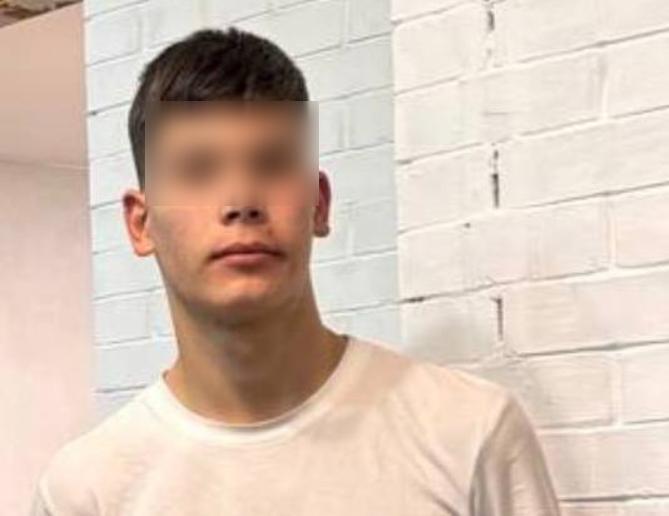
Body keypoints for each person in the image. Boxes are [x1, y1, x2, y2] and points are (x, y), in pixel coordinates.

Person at [31, 27, 561, 516]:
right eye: (198, 170)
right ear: (141, 224)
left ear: (319, 204)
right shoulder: (86, 492)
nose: (241, 199)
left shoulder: (471, 435)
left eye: (271, 164)